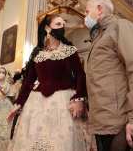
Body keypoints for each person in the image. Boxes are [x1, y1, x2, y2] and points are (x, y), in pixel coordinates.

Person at [84, 0, 133, 151]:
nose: (85, 16)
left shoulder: (120, 26)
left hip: (122, 123)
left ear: (99, 9)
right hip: (103, 123)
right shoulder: (99, 37)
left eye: (87, 11)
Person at [7, 14, 87, 151]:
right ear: (47, 28)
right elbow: (29, 80)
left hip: (64, 102)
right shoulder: (37, 52)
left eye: (63, 24)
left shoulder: (70, 50)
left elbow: (80, 75)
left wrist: (79, 98)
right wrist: (18, 103)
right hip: (37, 104)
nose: (62, 28)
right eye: (58, 24)